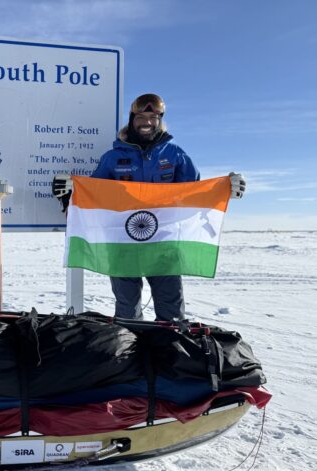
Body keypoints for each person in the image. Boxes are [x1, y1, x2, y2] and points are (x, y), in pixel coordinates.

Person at [53, 93, 246, 321]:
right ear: (132, 119)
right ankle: (131, 354)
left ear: (160, 120)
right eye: (141, 116)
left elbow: (195, 193)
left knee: (171, 314)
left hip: (164, 245)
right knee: (127, 313)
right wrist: (68, 194)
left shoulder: (176, 155)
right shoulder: (112, 158)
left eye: (153, 117)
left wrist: (225, 189)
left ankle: (168, 353)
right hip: (123, 245)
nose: (147, 122)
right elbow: (93, 196)